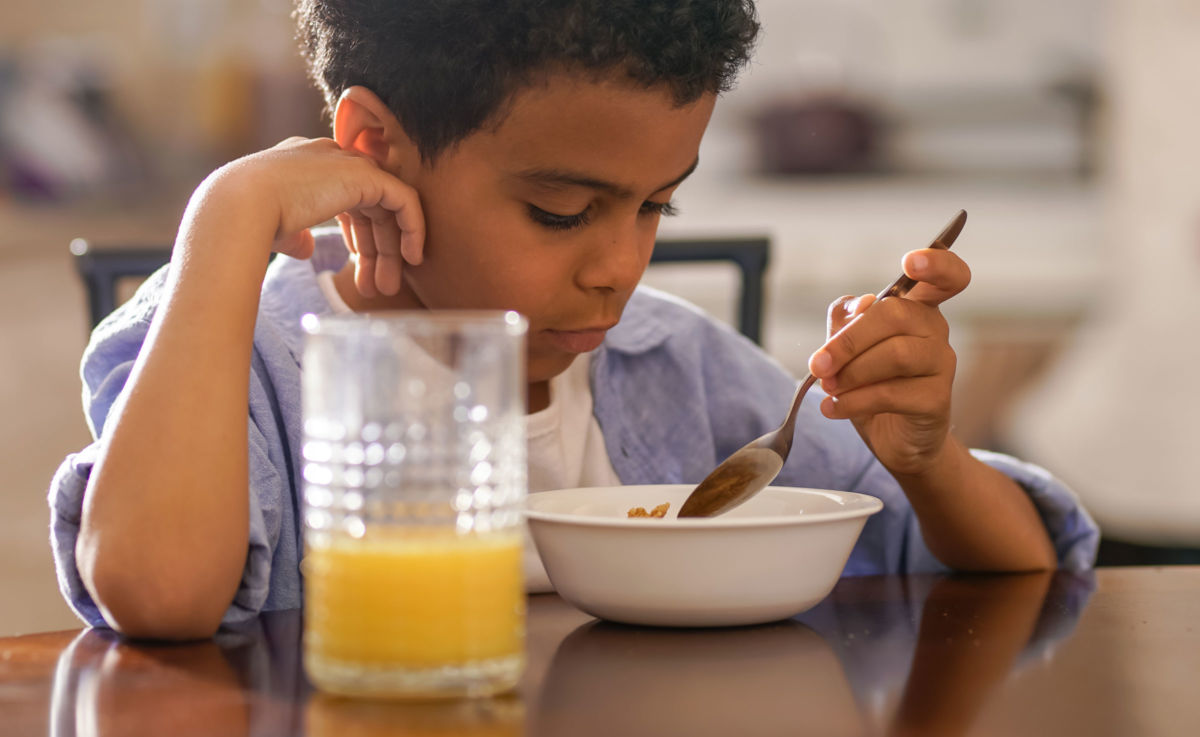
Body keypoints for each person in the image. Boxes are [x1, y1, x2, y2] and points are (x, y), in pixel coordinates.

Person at [49, 0, 1098, 641]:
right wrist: (223, 218)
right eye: (561, 211)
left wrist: (924, 455)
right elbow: (157, 592)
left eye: (657, 204)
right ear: (373, 145)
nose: (621, 267)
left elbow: (1017, 569)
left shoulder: (677, 366)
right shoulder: (241, 352)